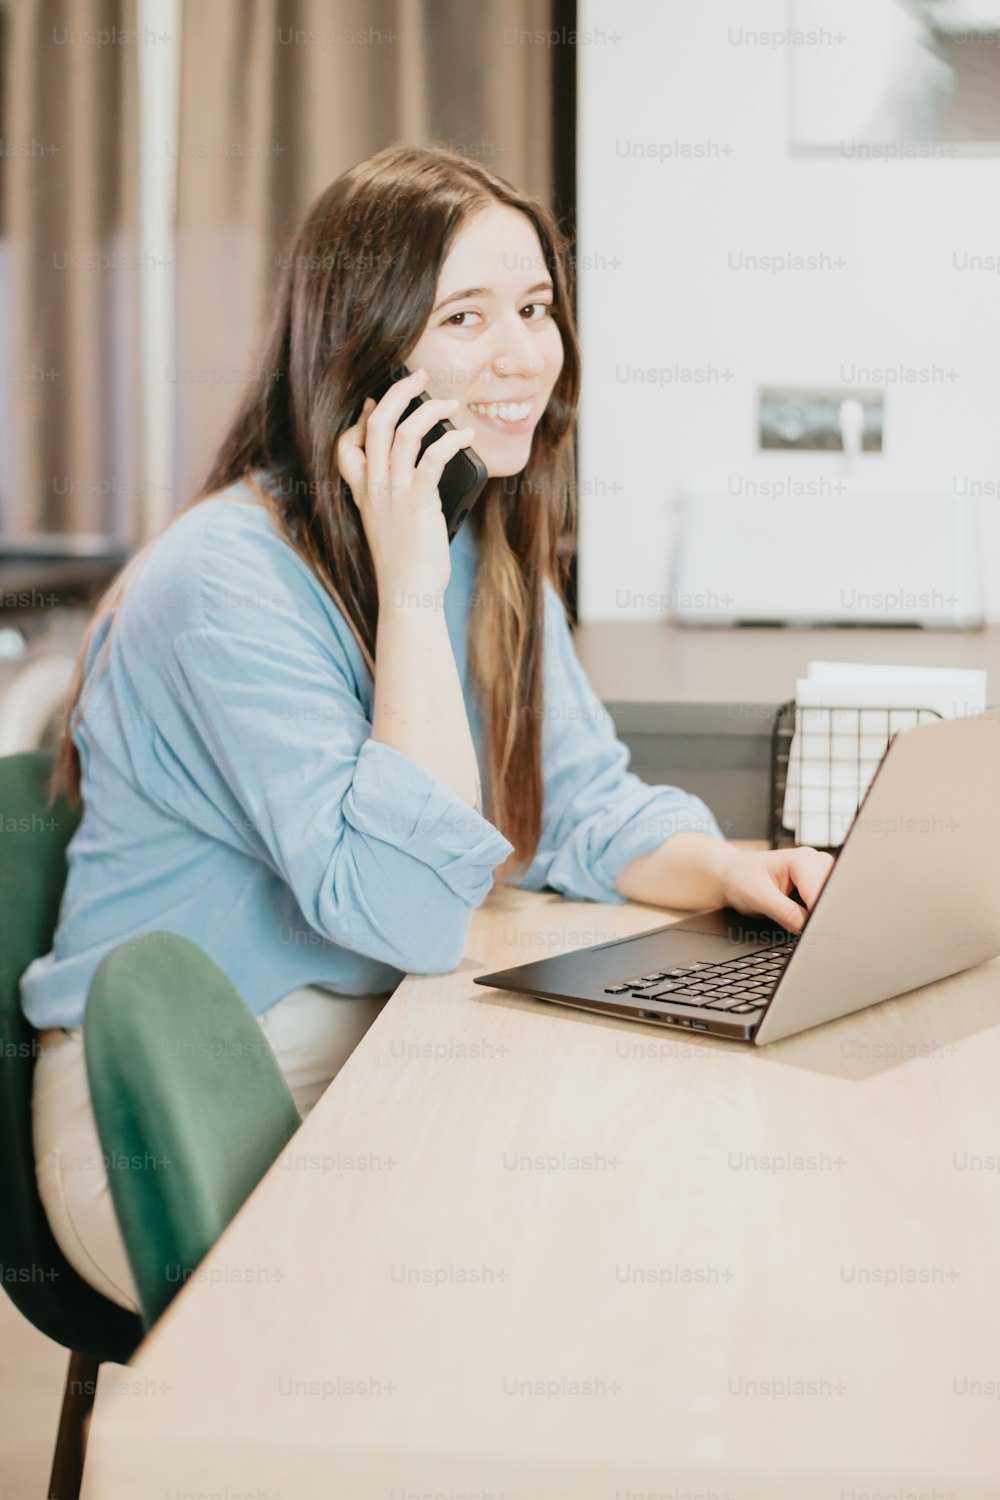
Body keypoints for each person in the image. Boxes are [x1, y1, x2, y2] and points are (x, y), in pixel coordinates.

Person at [21, 143, 833, 1314]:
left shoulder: (475, 552)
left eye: (535, 307)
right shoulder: (224, 580)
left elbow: (578, 800)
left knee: (664, 1182)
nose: (521, 355)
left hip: (372, 1033)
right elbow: (407, 914)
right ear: (368, 353)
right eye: (465, 315)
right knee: (539, 1275)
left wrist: (730, 867)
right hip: (169, 1100)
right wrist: (405, 594)